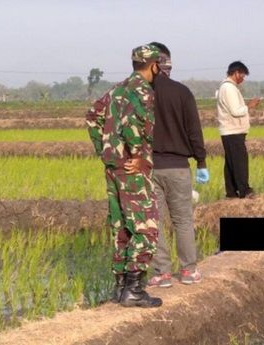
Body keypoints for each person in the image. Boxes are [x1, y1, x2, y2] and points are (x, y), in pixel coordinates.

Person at [85, 44, 162, 308]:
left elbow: (92, 117)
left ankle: (120, 289)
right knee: (146, 227)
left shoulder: (116, 89)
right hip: (132, 168)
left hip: (114, 166)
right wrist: (137, 155)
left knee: (121, 226)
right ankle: (134, 291)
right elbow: (133, 122)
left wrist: (106, 151)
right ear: (154, 65)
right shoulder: (143, 91)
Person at [140, 42, 207, 288]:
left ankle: (162, 273)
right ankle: (189, 271)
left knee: (154, 221)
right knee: (183, 220)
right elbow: (194, 131)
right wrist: (201, 161)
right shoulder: (182, 92)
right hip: (178, 167)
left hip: (149, 167)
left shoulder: (141, 93)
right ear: (167, 64)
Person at [216, 61, 261, 199]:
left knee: (231, 162)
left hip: (230, 131)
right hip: (233, 130)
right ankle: (244, 190)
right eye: (242, 75)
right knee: (239, 161)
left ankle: (231, 192)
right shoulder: (229, 88)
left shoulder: (228, 87)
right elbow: (236, 111)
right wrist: (250, 106)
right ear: (236, 73)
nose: (243, 78)